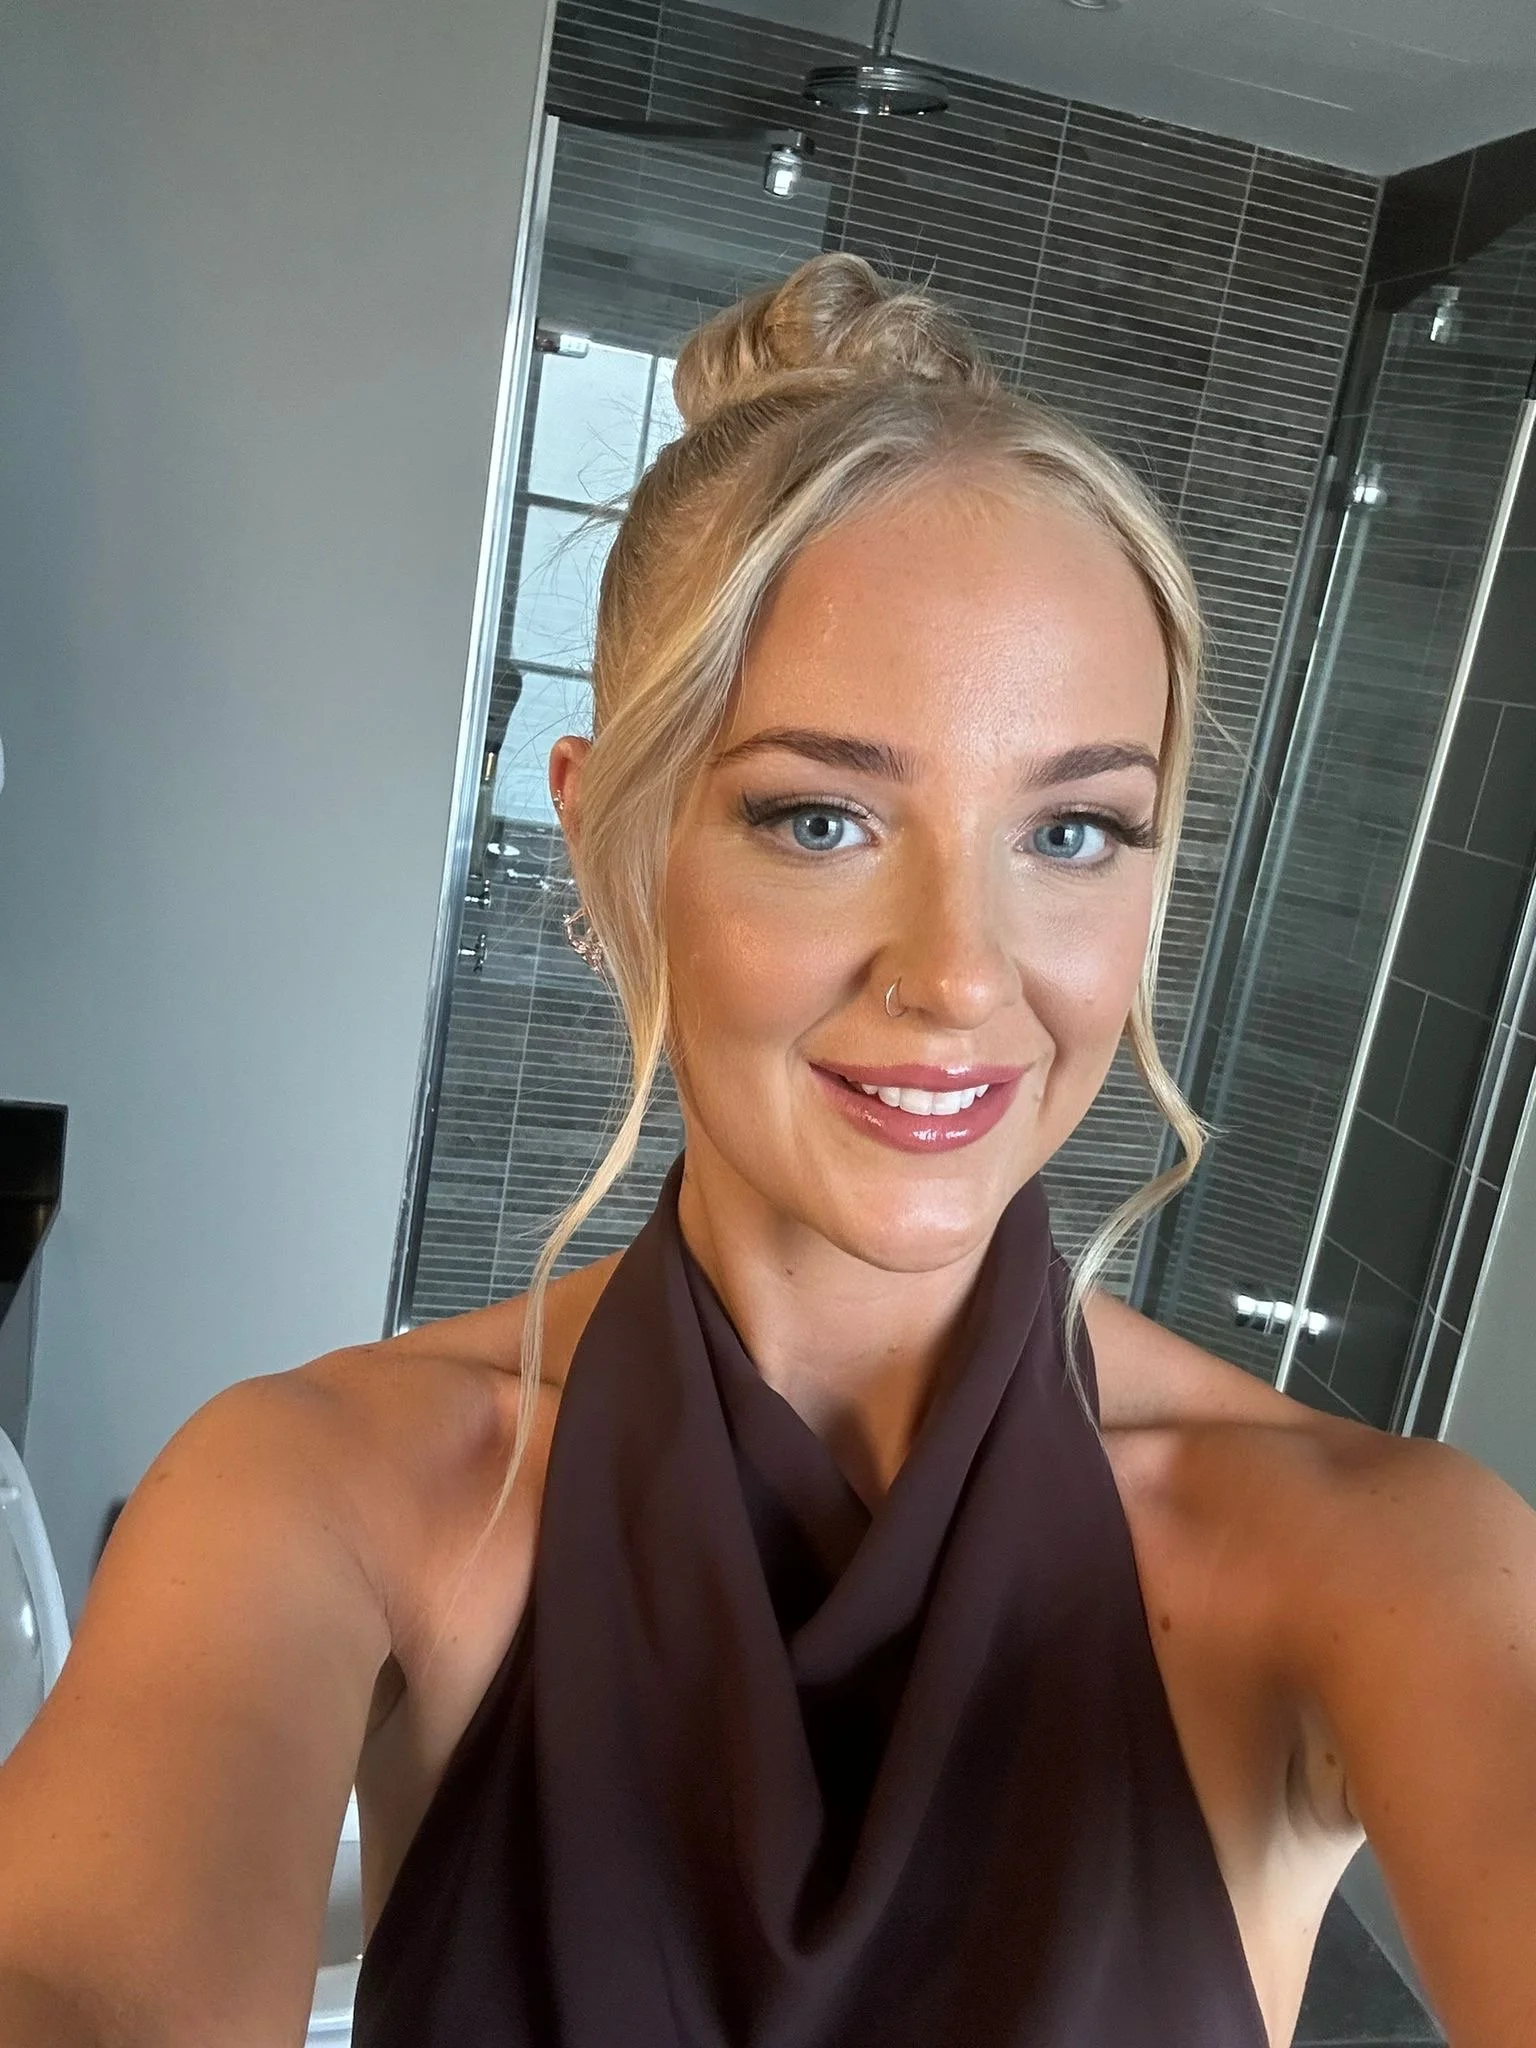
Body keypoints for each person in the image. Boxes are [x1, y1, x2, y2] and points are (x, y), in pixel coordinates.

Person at [0, 254, 1532, 2048]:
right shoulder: (312, 1495)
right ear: (609, 842)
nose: (961, 975)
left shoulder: (1387, 1559)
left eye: (1076, 830)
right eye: (820, 817)